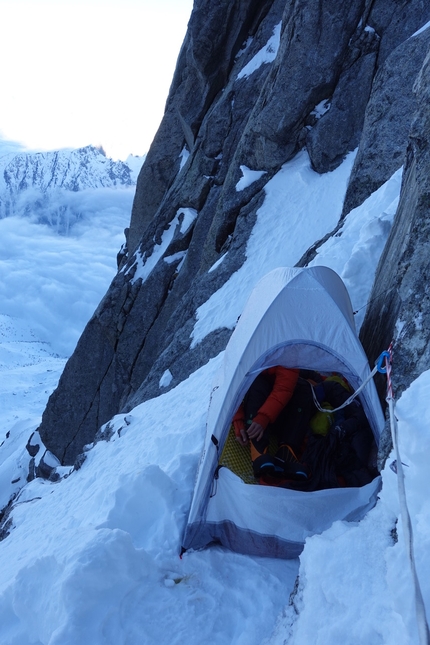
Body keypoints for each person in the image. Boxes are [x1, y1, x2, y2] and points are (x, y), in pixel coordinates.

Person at [232, 366, 313, 481]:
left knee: (303, 388)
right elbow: (230, 386)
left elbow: (284, 388)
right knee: (256, 381)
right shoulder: (242, 352)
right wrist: (237, 420)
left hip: (276, 415)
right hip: (254, 409)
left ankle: (287, 452)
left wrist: (264, 417)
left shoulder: (290, 351)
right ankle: (259, 451)